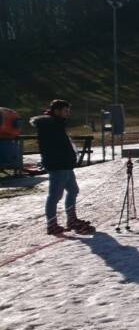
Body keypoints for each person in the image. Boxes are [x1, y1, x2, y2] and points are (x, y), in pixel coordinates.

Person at [32, 99, 92, 235]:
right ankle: (52, 225)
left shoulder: (57, 124)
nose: (68, 113)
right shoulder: (49, 125)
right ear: (56, 111)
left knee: (73, 190)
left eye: (68, 111)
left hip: (65, 165)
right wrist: (62, 159)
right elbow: (51, 148)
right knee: (55, 196)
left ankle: (71, 220)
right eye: (65, 111)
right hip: (58, 166)